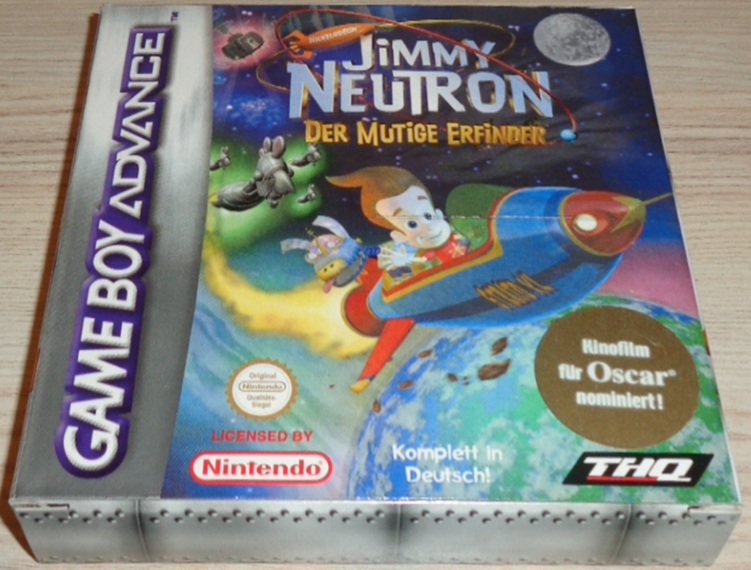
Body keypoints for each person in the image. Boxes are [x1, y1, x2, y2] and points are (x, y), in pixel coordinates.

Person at [327, 167, 469, 280]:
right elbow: (403, 277)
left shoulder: (460, 229)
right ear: (400, 236)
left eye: (428, 216)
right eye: (412, 224)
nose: (428, 228)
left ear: (438, 214)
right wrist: (402, 265)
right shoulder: (404, 252)